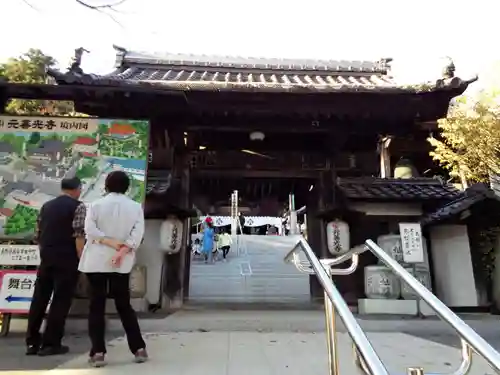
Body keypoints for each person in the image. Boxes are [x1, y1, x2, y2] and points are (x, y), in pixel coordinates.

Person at [74, 171, 147, 367]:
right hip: (121, 264)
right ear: (127, 187)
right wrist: (122, 251)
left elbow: (89, 231)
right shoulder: (135, 207)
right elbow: (137, 234)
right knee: (124, 306)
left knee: (96, 306)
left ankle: (98, 352)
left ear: (106, 186)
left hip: (96, 260)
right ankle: (139, 348)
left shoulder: (95, 205)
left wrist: (110, 243)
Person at [26, 177, 82, 356]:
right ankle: (51, 344)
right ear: (77, 189)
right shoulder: (79, 207)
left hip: (46, 258)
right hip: (67, 259)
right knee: (60, 300)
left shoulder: (47, 206)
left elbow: (38, 234)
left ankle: (32, 342)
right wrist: (81, 259)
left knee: (40, 299)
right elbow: (79, 235)